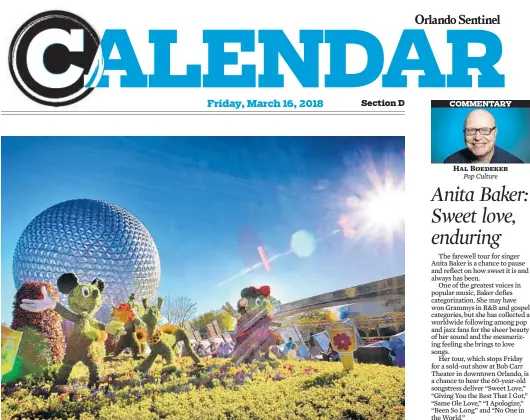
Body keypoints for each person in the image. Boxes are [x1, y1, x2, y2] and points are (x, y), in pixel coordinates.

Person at [443, 109, 524, 164]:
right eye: (471, 130)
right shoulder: (449, 162)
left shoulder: (516, 165)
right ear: (464, 133)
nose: (477, 138)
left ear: (495, 133)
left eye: (485, 130)